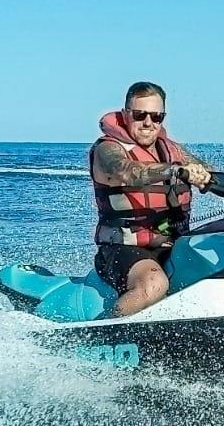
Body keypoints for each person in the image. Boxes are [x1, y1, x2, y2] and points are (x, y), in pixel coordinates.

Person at [90, 81, 213, 316]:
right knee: (154, 284)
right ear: (126, 115)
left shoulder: (172, 150)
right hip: (122, 248)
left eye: (156, 117)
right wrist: (175, 171)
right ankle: (107, 334)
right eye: (140, 115)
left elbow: (209, 173)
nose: (148, 123)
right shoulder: (107, 150)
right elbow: (126, 171)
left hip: (172, 243)